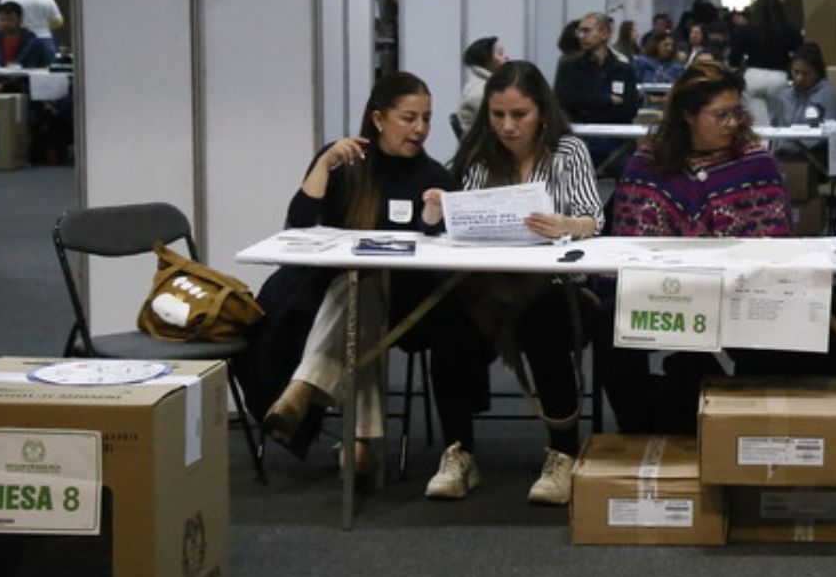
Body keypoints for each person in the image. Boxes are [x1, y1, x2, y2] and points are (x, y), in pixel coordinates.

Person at [246, 73, 454, 472]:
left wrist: (433, 215)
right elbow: (298, 226)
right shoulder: (345, 163)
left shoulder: (434, 177)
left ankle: (303, 387)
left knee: (366, 289)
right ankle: (360, 443)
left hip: (406, 302)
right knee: (360, 294)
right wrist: (324, 164)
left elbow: (442, 248)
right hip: (329, 294)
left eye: (426, 119)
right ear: (378, 118)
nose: (420, 129)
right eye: (408, 118)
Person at [425, 61, 602, 504]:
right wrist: (440, 208)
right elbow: (456, 218)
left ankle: (562, 452)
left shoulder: (568, 151)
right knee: (448, 325)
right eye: (498, 114)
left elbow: (594, 220)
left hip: (552, 282)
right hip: (487, 284)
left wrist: (565, 223)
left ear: (541, 110)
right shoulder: (477, 153)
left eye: (519, 114)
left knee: (547, 327)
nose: (507, 126)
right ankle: (458, 450)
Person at [596, 63, 793, 433]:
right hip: (666, 297)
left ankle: (745, 435)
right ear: (687, 115)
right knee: (610, 320)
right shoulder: (648, 164)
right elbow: (629, 244)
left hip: (739, 296)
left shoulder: (757, 164)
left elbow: (775, 246)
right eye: (721, 115)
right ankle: (635, 435)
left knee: (783, 328)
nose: (733, 123)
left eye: (738, 112)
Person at [556, 12, 641, 163]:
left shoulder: (623, 69)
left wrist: (586, 101)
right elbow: (565, 101)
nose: (580, 36)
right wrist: (607, 99)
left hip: (617, 140)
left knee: (629, 167)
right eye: (579, 31)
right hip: (580, 138)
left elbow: (630, 109)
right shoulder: (568, 67)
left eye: (586, 31)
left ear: (604, 33)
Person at [730, 0, 803, 125]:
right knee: (779, 120)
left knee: (756, 122)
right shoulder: (790, 30)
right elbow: (800, 55)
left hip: (753, 76)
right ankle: (776, 145)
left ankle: (759, 145)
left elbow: (734, 59)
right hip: (779, 77)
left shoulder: (746, 30)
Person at [0, 0, 55, 84]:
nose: (5, 24)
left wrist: (6, 85)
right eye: (1, 19)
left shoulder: (33, 43)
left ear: (20, 20)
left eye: (10, 20)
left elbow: (33, 69)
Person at [771, 42, 836, 128]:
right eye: (796, 72)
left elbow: (833, 129)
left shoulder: (828, 95)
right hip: (787, 140)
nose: (799, 78)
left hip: (816, 141)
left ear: (817, 73)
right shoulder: (784, 96)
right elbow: (776, 127)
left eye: (805, 74)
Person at [456, 35, 507, 137]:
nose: (507, 56)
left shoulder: (488, 84)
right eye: (500, 54)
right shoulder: (479, 90)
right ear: (486, 59)